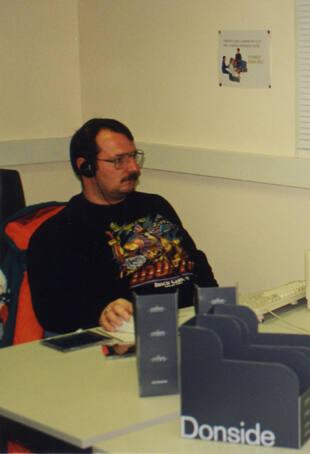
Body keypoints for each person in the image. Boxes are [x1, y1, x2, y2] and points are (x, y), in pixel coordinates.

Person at [28, 118, 218, 334]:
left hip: (190, 326)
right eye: (119, 160)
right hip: (124, 337)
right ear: (86, 167)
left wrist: (215, 308)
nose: (134, 168)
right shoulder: (57, 233)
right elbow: (53, 314)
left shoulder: (156, 205)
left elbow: (196, 263)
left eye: (133, 157)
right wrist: (101, 313)